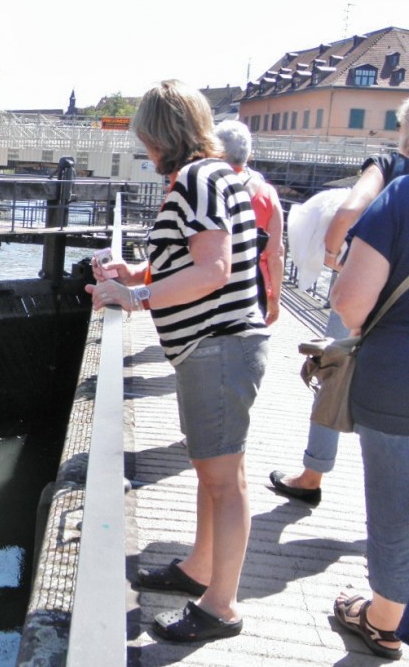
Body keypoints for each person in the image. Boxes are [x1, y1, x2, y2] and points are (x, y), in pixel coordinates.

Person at [86, 80, 269, 642]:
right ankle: (199, 570)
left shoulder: (195, 180)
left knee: (224, 480)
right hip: (217, 347)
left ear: (160, 132)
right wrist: (134, 275)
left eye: (145, 133)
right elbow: (187, 261)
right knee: (214, 472)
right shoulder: (215, 177)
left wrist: (135, 298)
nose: (144, 145)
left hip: (219, 346)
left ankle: (220, 608)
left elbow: (212, 271)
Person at [269, 96, 409, 506]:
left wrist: (334, 257)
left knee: (334, 374)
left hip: (373, 298)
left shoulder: (389, 169)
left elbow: (348, 211)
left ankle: (312, 473)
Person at [327, 173, 409, 660]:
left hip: (398, 383)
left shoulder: (399, 198)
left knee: (395, 511)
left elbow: (350, 301)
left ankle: (382, 621)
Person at [214, 120, 285, 324]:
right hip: (253, 284)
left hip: (211, 279)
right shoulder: (267, 193)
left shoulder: (206, 186)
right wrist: (274, 298)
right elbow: (275, 252)